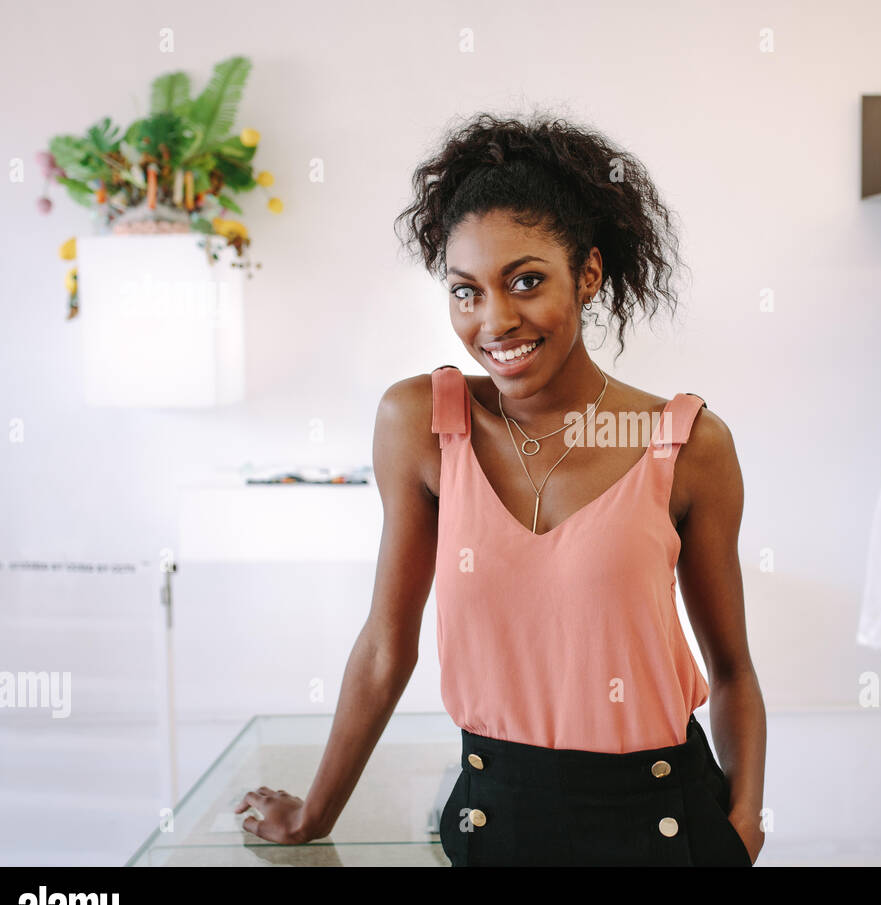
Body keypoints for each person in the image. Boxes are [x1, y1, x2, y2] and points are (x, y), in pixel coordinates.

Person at [234, 111, 765, 865]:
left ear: (587, 272)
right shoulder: (422, 422)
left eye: (525, 281)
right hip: (495, 823)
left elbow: (734, 671)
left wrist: (744, 828)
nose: (495, 319)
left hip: (665, 824)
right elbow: (388, 646)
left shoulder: (688, 445)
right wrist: (315, 813)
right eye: (465, 291)